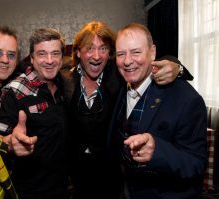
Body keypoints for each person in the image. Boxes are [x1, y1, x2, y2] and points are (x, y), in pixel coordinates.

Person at [62, 21, 193, 199]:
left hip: (111, 174)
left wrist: (176, 66)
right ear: (78, 51)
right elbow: (37, 68)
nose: (96, 56)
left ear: (110, 54)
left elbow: (145, 63)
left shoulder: (118, 77)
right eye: (89, 48)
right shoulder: (64, 79)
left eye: (103, 49)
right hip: (77, 173)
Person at [108, 22, 207, 198]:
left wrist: (158, 152)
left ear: (152, 52)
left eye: (136, 52)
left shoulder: (186, 99)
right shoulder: (120, 87)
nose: (127, 61)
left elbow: (196, 164)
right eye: (121, 54)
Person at [0, 28, 68, 199]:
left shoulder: (64, 85)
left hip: (62, 186)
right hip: (28, 191)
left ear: (62, 58)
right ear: (31, 58)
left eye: (55, 54)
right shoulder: (14, 92)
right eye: (41, 54)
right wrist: (9, 143)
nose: (49, 60)